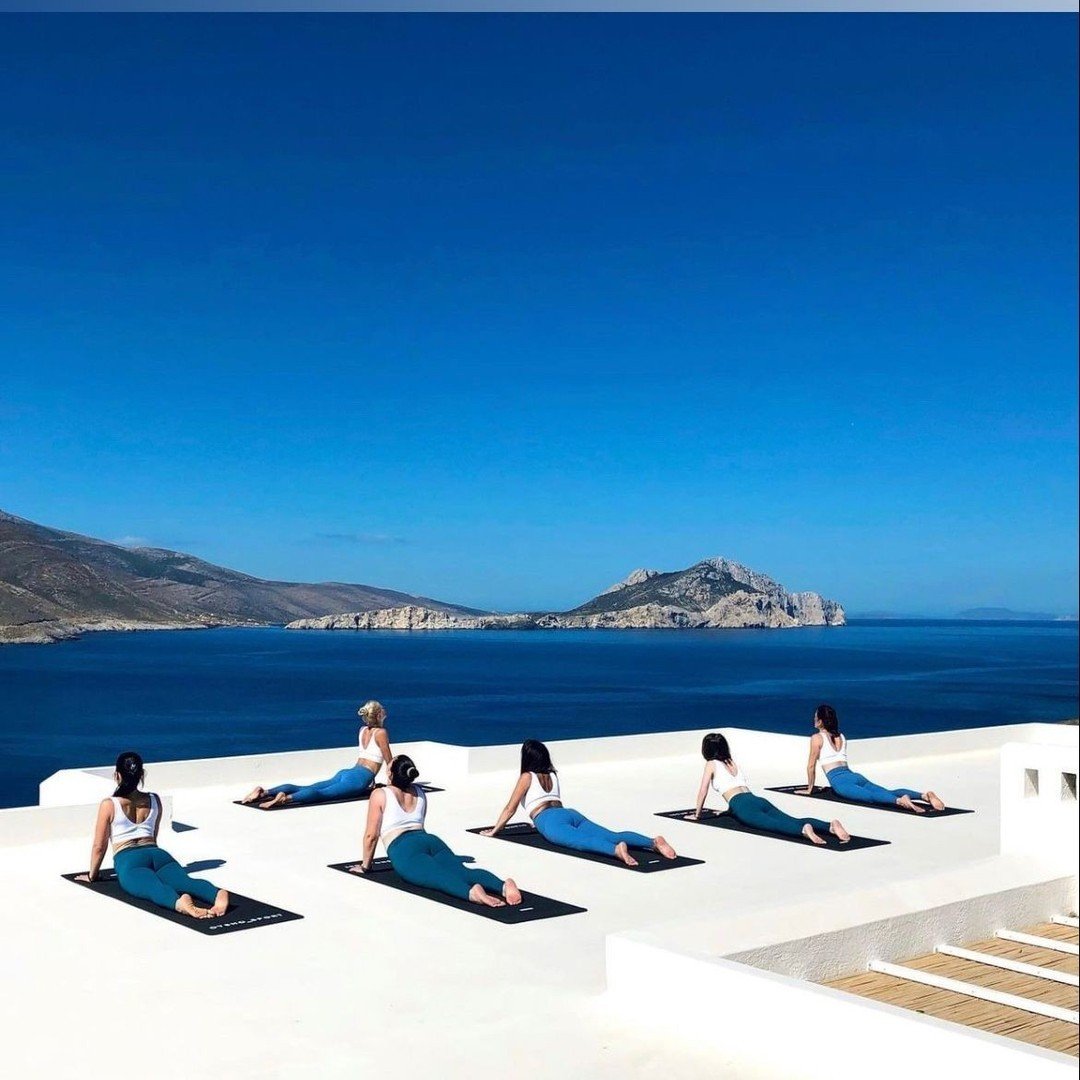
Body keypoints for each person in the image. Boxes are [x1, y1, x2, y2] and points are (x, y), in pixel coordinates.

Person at [349, 755, 521, 908]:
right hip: (430, 840)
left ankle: (473, 893)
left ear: (391, 774)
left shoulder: (380, 794)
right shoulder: (419, 792)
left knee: (438, 877)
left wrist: (365, 866)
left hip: (403, 848)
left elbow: (371, 836)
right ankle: (503, 885)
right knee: (463, 871)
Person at [76, 751, 228, 919]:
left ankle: (180, 903)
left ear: (117, 775)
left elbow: (99, 846)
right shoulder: (154, 799)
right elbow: (153, 837)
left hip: (129, 860)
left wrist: (92, 875)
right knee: (186, 882)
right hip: (158, 855)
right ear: (141, 774)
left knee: (152, 887)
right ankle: (217, 894)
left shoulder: (109, 804)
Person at [483, 739, 677, 867]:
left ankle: (615, 851)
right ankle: (652, 842)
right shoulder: (553, 774)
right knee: (612, 834)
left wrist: (494, 831)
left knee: (580, 842)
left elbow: (510, 808)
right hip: (569, 813)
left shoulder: (527, 776)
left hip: (548, 820)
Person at [691, 732, 850, 845]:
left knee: (771, 824)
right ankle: (829, 825)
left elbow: (703, 790)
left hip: (741, 805)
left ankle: (803, 830)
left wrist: (697, 815)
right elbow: (735, 786)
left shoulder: (711, 764)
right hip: (756, 799)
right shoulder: (732, 762)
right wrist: (728, 810)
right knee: (791, 819)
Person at [241, 699, 392, 808]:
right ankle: (285, 799)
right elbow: (389, 762)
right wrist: (394, 785)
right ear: (378, 715)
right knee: (322, 794)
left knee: (306, 787)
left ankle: (264, 792)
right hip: (359, 779)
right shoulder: (381, 733)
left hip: (348, 772)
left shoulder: (363, 730)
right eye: (382, 710)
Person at [804, 704, 946, 813]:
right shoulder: (841, 737)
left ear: (821, 721)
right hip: (855, 776)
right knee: (885, 791)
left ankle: (899, 801)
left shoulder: (817, 738)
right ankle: (924, 796)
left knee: (870, 797)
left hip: (840, 781)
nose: (814, 719)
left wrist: (810, 789)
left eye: (816, 717)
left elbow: (811, 766)